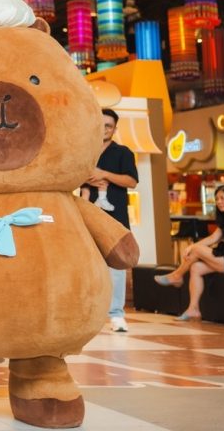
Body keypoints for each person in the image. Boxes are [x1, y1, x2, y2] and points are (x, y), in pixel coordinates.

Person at [154, 184, 224, 320]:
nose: (219, 202)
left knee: (197, 251)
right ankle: (193, 309)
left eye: (222, 198)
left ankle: (177, 276)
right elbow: (213, 238)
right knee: (196, 268)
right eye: (217, 199)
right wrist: (192, 247)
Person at [87, 108, 138, 332]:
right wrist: (89, 180)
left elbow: (131, 181)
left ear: (115, 129)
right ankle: (90, 314)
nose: (104, 129)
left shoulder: (123, 153)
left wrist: (104, 174)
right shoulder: (86, 151)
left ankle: (116, 314)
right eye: (101, 124)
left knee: (116, 267)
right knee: (89, 265)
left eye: (109, 125)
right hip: (89, 215)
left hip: (115, 218)